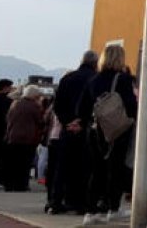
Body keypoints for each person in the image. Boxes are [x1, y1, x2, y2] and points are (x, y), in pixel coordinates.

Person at [78, 44, 138, 225]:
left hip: (96, 129)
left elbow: (81, 109)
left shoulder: (93, 80)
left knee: (96, 170)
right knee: (116, 169)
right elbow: (130, 106)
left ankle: (90, 211)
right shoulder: (124, 79)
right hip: (118, 131)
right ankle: (113, 207)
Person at [53, 50, 98, 214]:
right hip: (86, 128)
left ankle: (56, 201)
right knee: (84, 167)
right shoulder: (94, 78)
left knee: (63, 166)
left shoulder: (67, 78)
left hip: (67, 128)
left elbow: (57, 105)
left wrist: (68, 122)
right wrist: (82, 122)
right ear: (95, 63)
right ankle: (80, 203)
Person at [4, 85, 46, 192]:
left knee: (12, 162)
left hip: (13, 136)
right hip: (28, 138)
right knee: (24, 163)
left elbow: (8, 119)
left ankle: (9, 184)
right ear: (34, 96)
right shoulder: (34, 106)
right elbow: (40, 121)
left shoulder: (15, 104)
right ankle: (21, 185)